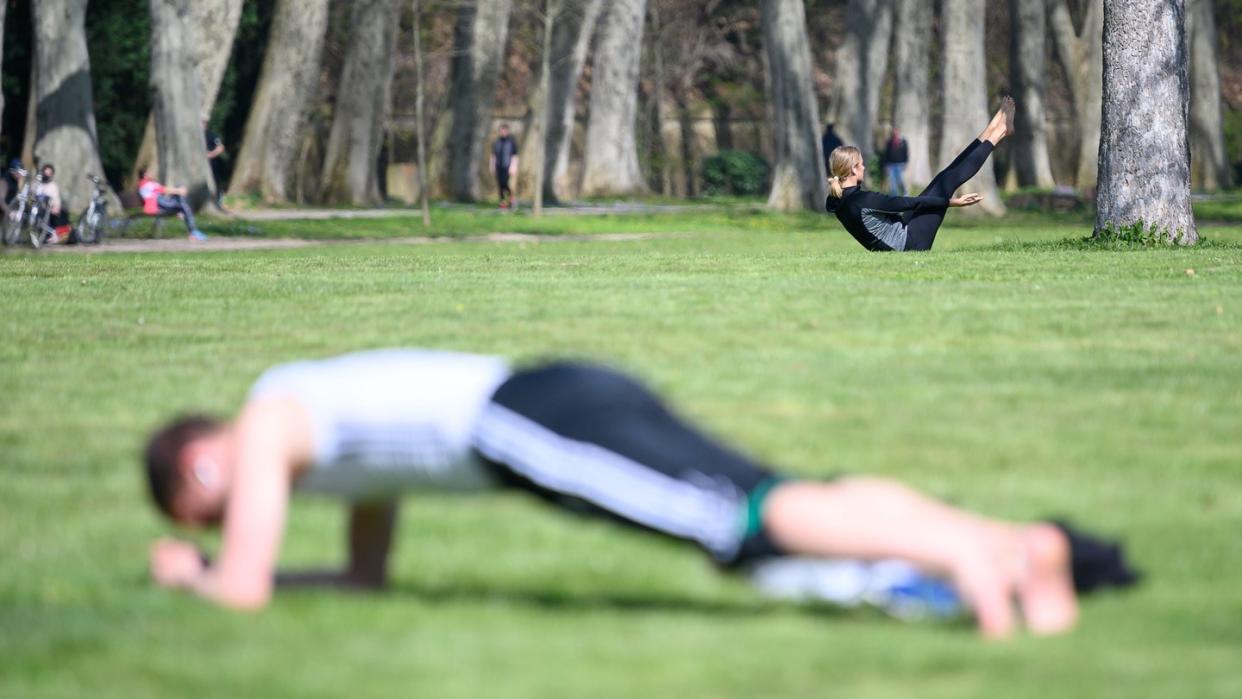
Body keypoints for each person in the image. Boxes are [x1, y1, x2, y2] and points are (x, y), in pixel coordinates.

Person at [142, 349, 1136, 637]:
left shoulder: (270, 420)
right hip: (555, 396)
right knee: (768, 497)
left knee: (748, 525)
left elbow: (245, 591)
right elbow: (363, 583)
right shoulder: (328, 443)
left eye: (221, 517)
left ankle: (964, 563)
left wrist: (193, 577)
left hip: (529, 424)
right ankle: (1023, 548)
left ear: (202, 467)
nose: (242, 529)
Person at [825, 97, 1015, 252]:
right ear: (852, 170)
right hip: (911, 244)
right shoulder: (862, 200)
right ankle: (998, 134)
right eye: (861, 164)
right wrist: (951, 202)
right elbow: (907, 203)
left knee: (943, 178)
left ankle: (991, 132)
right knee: (946, 182)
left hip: (902, 230)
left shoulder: (838, 200)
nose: (865, 168)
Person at [137, 169, 206, 241]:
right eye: (150, 172)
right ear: (145, 175)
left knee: (183, 205)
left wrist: (178, 191)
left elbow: (163, 191)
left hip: (159, 204)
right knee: (184, 206)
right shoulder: (147, 184)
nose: (152, 173)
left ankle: (192, 231)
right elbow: (164, 190)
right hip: (155, 205)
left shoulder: (147, 183)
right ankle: (193, 232)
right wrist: (179, 191)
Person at [33, 164, 70, 244]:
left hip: (47, 210)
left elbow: (56, 200)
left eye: (49, 173)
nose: (46, 175)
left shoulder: (53, 186)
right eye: (45, 173)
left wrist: (56, 206)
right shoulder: (37, 184)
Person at [489, 124, 519, 209]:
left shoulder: (511, 142)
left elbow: (515, 156)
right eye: (501, 130)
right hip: (498, 166)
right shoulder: (496, 142)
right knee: (500, 185)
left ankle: (511, 199)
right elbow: (493, 155)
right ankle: (502, 202)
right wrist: (492, 166)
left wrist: (513, 167)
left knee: (504, 183)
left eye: (504, 130)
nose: (503, 132)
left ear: (507, 131)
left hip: (507, 166)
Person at [203, 117, 226, 208]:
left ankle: (218, 203)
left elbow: (220, 147)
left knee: (215, 182)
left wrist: (211, 154)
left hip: (211, 164)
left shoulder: (212, 135)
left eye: (203, 123)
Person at [882, 128, 909, 196]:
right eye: (893, 133)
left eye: (896, 133)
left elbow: (906, 153)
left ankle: (905, 192)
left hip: (900, 164)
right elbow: (886, 154)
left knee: (900, 180)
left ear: (898, 133)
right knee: (892, 182)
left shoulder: (903, 142)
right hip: (891, 165)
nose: (895, 134)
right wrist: (885, 165)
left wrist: (905, 163)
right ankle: (894, 196)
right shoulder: (889, 142)